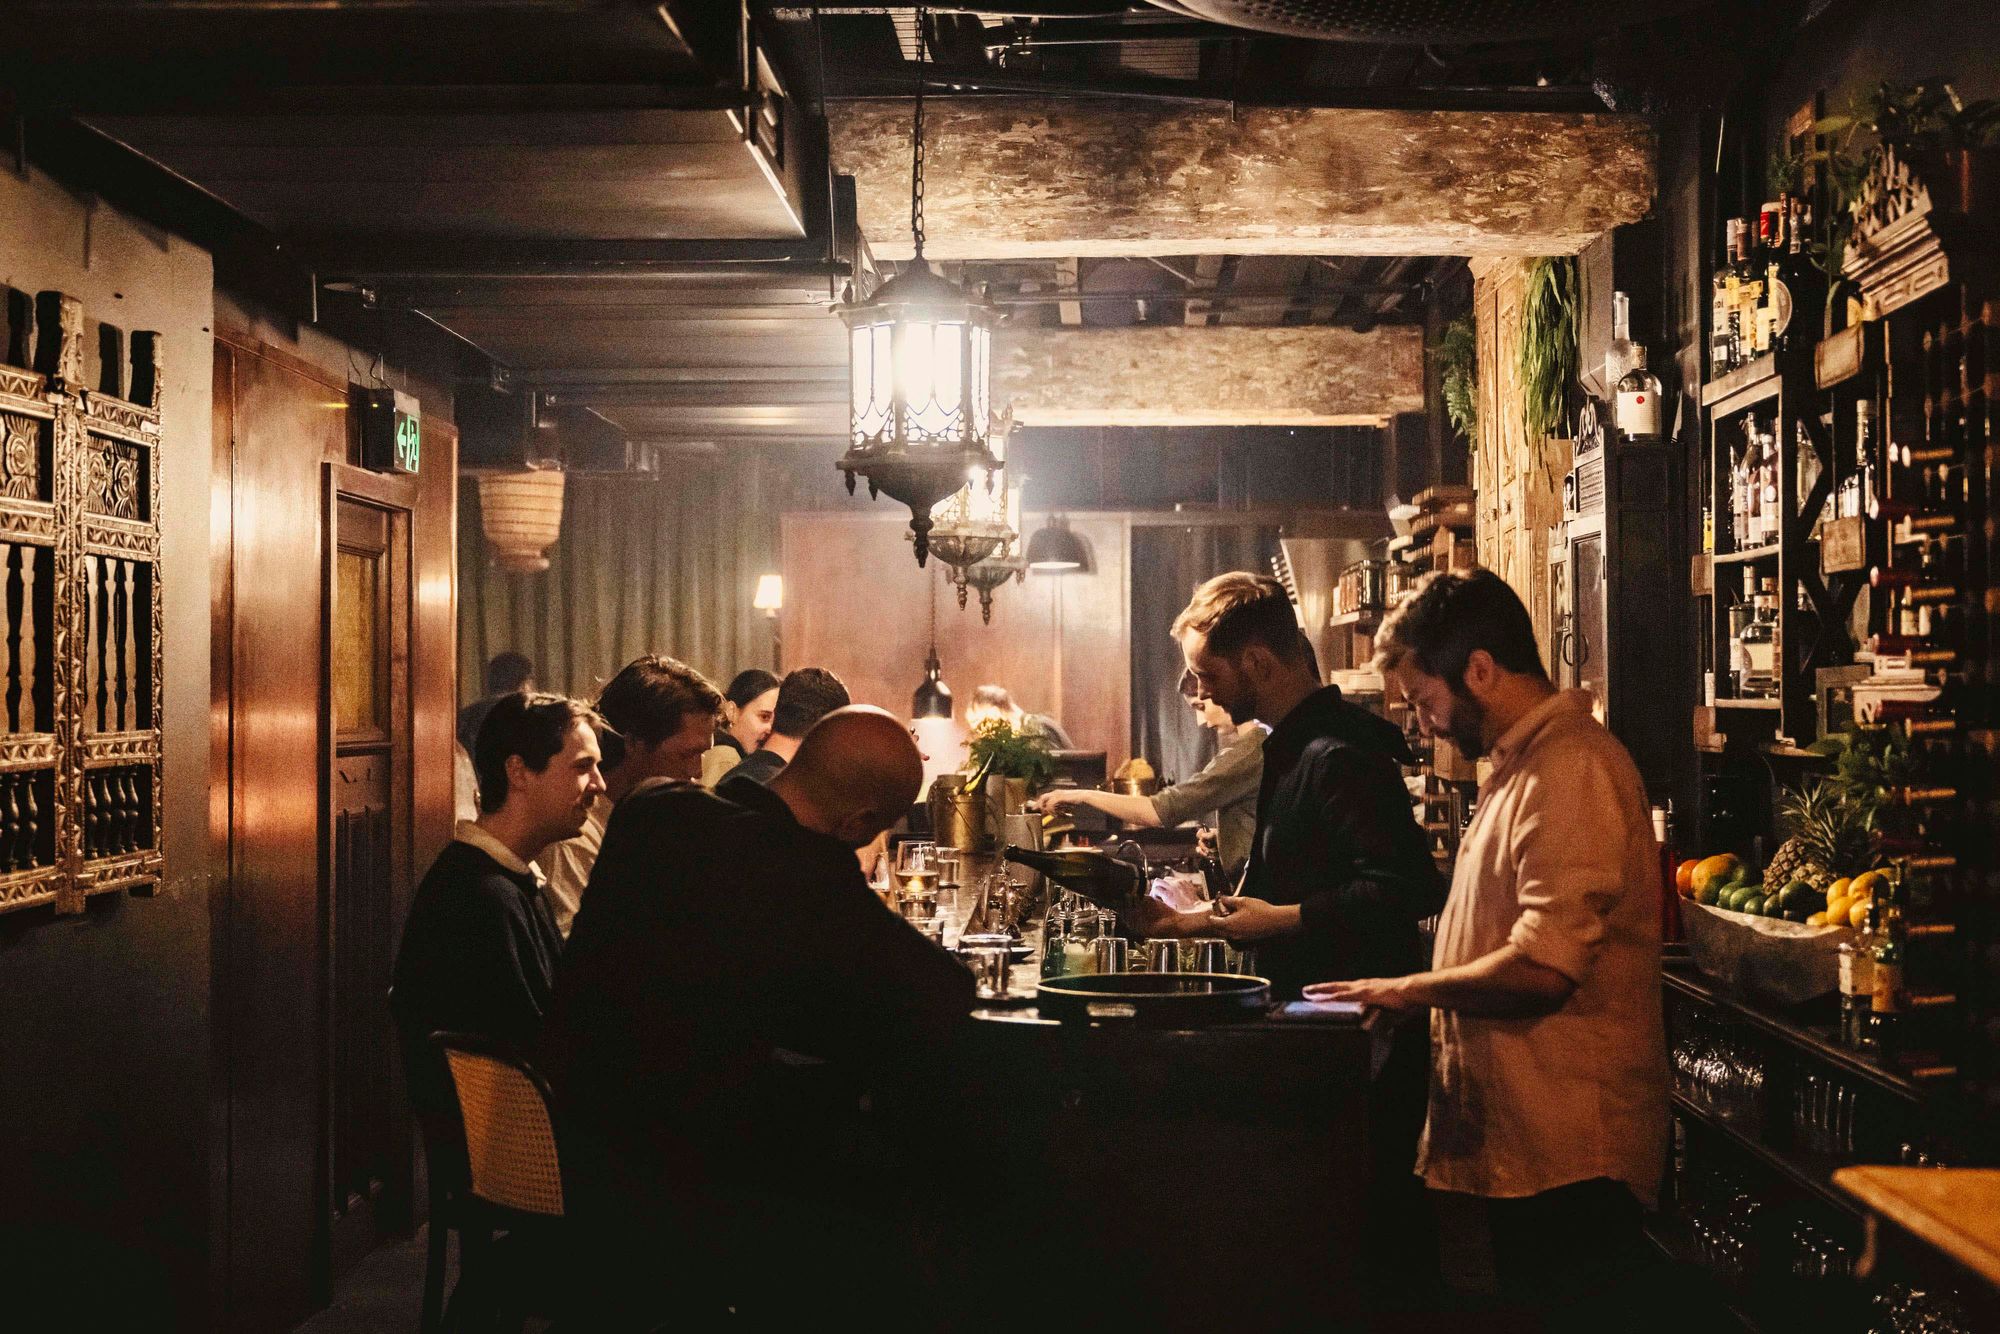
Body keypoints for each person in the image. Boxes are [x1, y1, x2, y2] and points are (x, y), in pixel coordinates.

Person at [1308, 570, 1669, 1329]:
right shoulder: (1518, 766)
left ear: (1479, 669)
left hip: (1569, 1159)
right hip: (1521, 1153)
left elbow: (1544, 970)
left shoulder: (1569, 769)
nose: (1423, 723)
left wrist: (1408, 990)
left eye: (1424, 700)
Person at [541, 706, 974, 1326]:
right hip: (694, 1180)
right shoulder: (802, 873)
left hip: (587, 1138)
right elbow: (942, 989)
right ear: (863, 821)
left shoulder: (653, 808)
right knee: (911, 1177)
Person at [1133, 570, 1445, 1306]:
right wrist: (1177, 924)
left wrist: (1286, 919)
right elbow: (1286, 888)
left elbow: (1406, 888)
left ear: (1260, 665)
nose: (1198, 692)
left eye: (1206, 675)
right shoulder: (1289, 748)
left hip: (1360, 1052)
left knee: (1371, 1270)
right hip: (1321, 1049)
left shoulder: (1335, 754)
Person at [391, 691, 605, 1126]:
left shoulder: (501, 881)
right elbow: (543, 1058)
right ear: (519, 772)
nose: (599, 784)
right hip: (519, 1163)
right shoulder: (482, 898)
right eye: (583, 767)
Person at [541, 655, 722, 937]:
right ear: (634, 742)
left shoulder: (660, 821)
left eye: (702, 753)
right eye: (686, 754)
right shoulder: (575, 833)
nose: (696, 771)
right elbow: (582, 952)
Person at [1031, 669, 1264, 879]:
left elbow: (1157, 811)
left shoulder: (1246, 753)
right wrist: (1224, 839)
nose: (1202, 722)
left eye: (1201, 707)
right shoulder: (1255, 746)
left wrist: (1083, 796)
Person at [717, 666, 849, 786]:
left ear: (775, 715)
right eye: (763, 716)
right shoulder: (795, 793)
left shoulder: (736, 777)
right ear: (828, 733)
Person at [700, 667, 780, 785]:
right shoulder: (726, 758)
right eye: (764, 717)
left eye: (777, 720)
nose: (770, 729)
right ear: (731, 711)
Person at [965, 682, 1073, 749]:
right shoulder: (1026, 731)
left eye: (977, 723)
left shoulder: (1037, 730)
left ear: (995, 713)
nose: (979, 734)